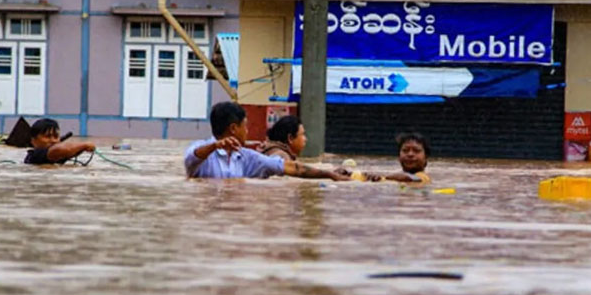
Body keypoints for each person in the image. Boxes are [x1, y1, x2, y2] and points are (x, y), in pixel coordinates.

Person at [184, 102, 349, 181]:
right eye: (245, 126)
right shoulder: (200, 152)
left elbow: (290, 167)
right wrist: (215, 145)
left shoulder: (247, 157)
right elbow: (192, 157)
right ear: (234, 129)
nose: (247, 131)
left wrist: (329, 174)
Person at [339, 132, 431, 184]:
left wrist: (382, 177)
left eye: (416, 151)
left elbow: (409, 178)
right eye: (405, 150)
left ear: (426, 157)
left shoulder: (423, 178)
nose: (410, 154)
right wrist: (350, 174)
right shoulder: (395, 178)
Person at [24, 118, 96, 164]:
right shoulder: (36, 155)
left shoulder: (56, 155)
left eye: (56, 136)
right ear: (33, 141)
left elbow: (67, 152)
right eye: (47, 136)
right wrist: (85, 145)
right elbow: (58, 150)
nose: (53, 140)